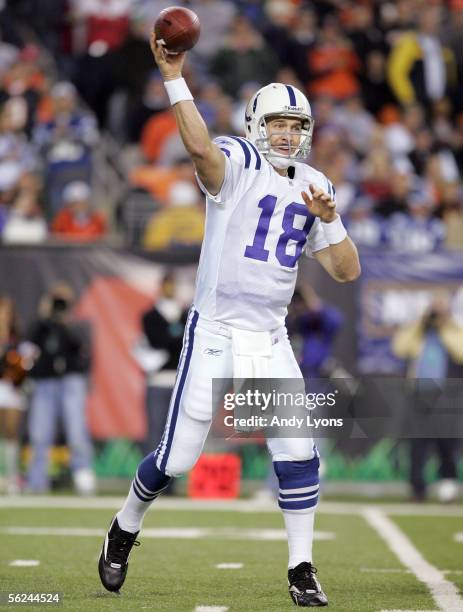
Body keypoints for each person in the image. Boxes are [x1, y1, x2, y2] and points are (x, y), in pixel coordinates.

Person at [98, 31, 361, 608]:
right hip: (215, 328)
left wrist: (333, 221)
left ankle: (301, 568)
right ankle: (124, 526)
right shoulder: (239, 161)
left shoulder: (317, 185)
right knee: (178, 459)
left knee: (297, 448)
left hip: (269, 336)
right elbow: (201, 154)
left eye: (296, 125)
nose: (287, 134)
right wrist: (174, 77)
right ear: (255, 126)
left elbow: (346, 271)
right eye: (277, 124)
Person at [392, 294, 463, 503]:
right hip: (419, 395)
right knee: (417, 444)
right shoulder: (419, 332)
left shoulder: (454, 330)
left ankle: (448, 485)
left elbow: (460, 352)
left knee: (447, 442)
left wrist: (444, 325)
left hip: (447, 396)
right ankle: (417, 488)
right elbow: (400, 348)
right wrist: (421, 322)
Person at [26, 283, 96, 495]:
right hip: (45, 381)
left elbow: (83, 348)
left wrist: (67, 321)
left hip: (71, 380)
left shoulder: (77, 324)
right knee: (40, 433)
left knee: (76, 431)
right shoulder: (42, 325)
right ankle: (37, 481)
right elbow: (29, 344)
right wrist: (45, 316)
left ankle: (82, 473)